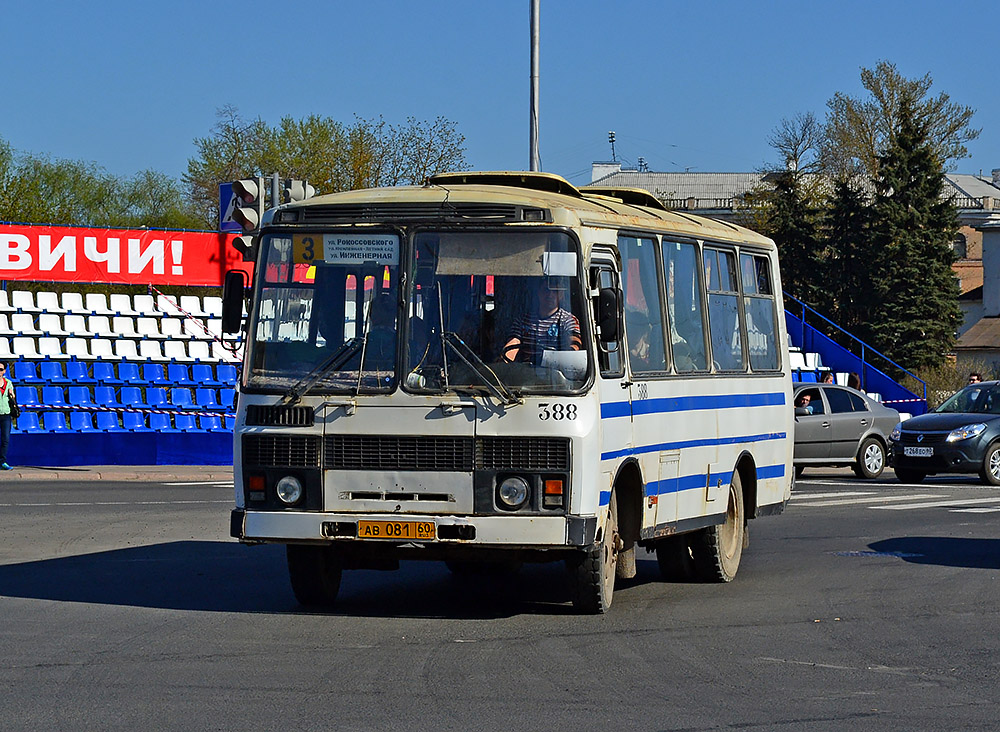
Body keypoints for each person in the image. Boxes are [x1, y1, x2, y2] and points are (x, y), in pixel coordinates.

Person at [502, 279, 581, 364]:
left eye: (555, 292)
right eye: (546, 290)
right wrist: (504, 362)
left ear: (561, 295)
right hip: (526, 371)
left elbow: (574, 342)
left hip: (555, 372)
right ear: (538, 293)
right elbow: (514, 343)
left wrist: (571, 352)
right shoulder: (523, 319)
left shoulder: (568, 320)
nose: (550, 295)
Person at [0, 362, 15, 470]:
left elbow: (12, 397)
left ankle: (2, 461)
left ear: (4, 371)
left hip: (5, 414)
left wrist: (11, 395)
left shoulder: (8, 383)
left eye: (1, 369)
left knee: (5, 439)